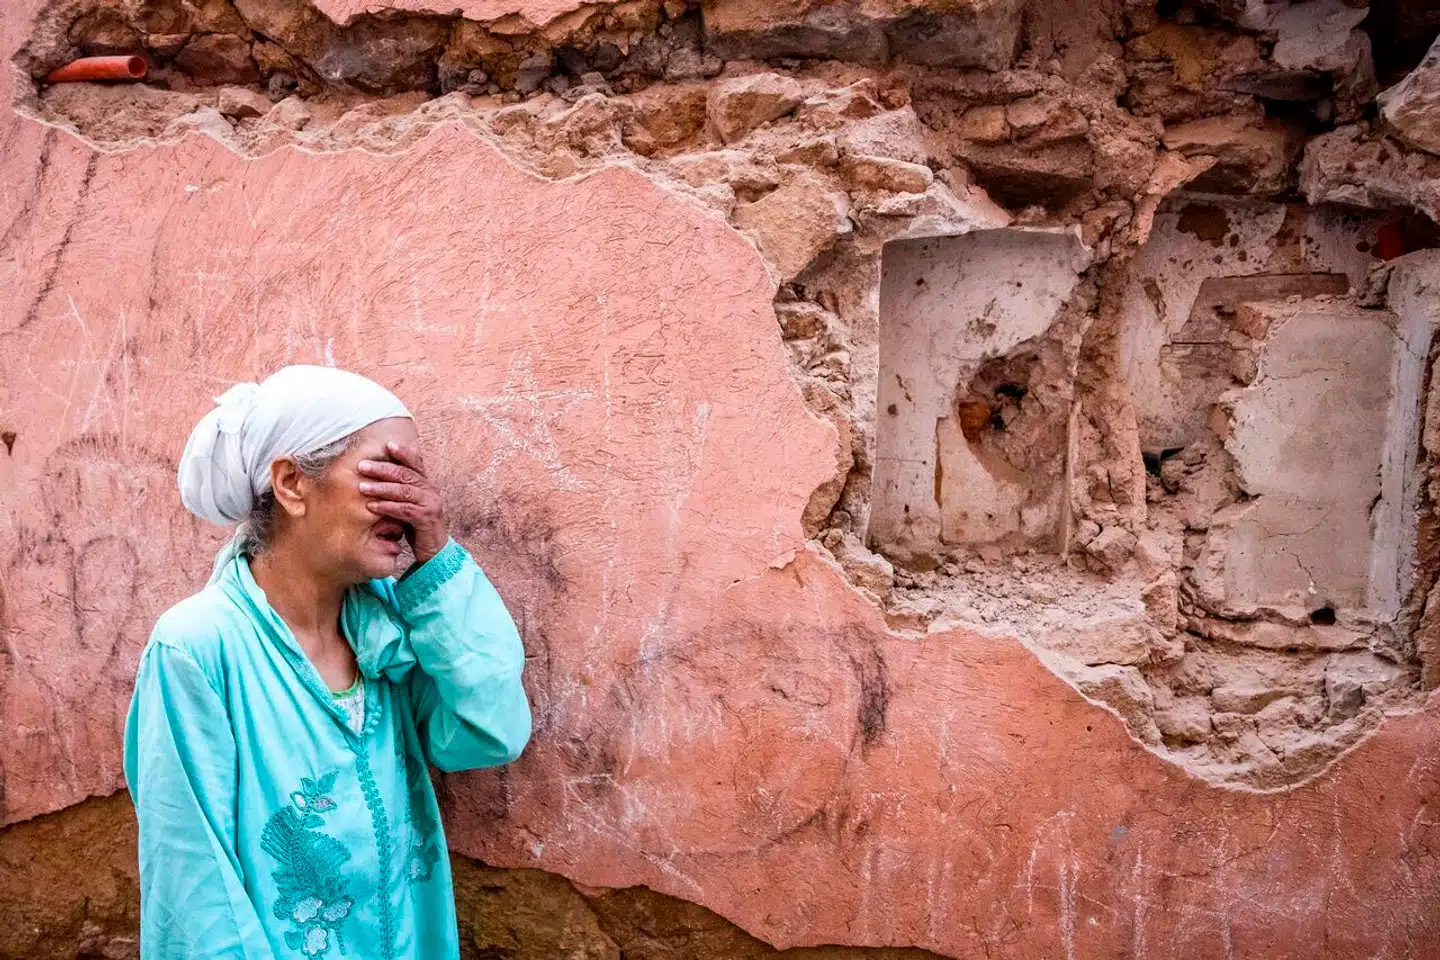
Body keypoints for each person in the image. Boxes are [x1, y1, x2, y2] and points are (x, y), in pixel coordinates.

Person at [122, 365, 531, 959]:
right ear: (291, 483)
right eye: (387, 476)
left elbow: (490, 731)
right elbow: (196, 895)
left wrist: (436, 555)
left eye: (417, 479)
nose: (411, 504)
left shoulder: (386, 632)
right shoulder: (197, 649)